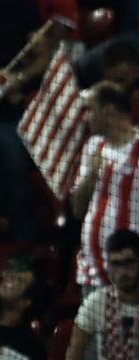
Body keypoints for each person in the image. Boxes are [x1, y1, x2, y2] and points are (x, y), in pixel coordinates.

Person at [67, 228, 139, 360]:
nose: (122, 272)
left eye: (128, 263)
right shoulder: (97, 302)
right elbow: (75, 350)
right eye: (115, 264)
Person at [72, 82, 139, 289]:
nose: (86, 117)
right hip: (92, 272)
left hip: (131, 275)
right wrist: (91, 175)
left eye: (90, 110)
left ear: (108, 111)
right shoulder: (93, 146)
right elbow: (77, 210)